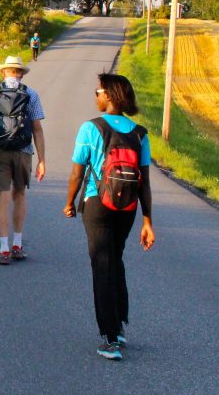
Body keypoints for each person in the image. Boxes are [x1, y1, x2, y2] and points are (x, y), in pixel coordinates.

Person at [64, 73, 155, 361]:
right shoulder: (140, 133)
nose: (96, 96)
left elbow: (77, 172)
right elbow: (145, 182)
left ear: (110, 96)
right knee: (115, 259)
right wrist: (148, 221)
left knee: (102, 265)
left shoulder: (90, 129)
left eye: (98, 91)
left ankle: (110, 337)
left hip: (98, 204)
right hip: (128, 208)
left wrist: (69, 202)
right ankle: (119, 324)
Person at [0, 55, 46, 265]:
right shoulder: (31, 94)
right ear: (21, 73)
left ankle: (4, 248)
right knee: (20, 194)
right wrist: (42, 159)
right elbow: (37, 129)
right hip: (23, 151)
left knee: (2, 198)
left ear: (3, 72)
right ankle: (17, 243)